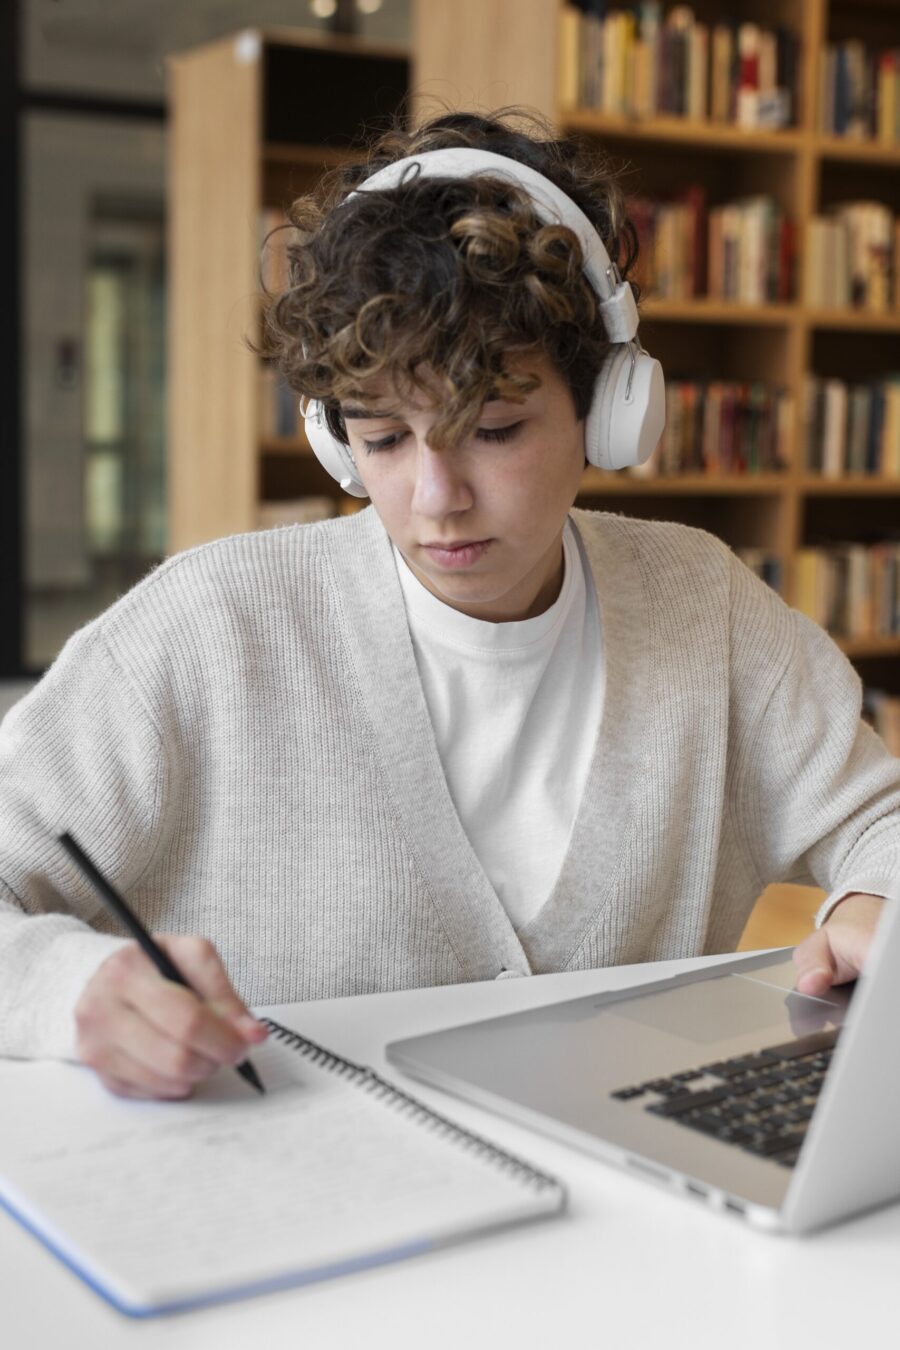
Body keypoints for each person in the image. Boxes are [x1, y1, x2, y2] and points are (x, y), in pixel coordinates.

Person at [0, 109, 896, 1101]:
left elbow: (881, 822)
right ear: (334, 441)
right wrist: (67, 990)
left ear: (607, 408)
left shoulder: (703, 603)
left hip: (634, 1189)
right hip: (290, 1178)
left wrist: (870, 903)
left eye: (495, 428)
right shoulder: (207, 629)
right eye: (383, 439)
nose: (436, 498)